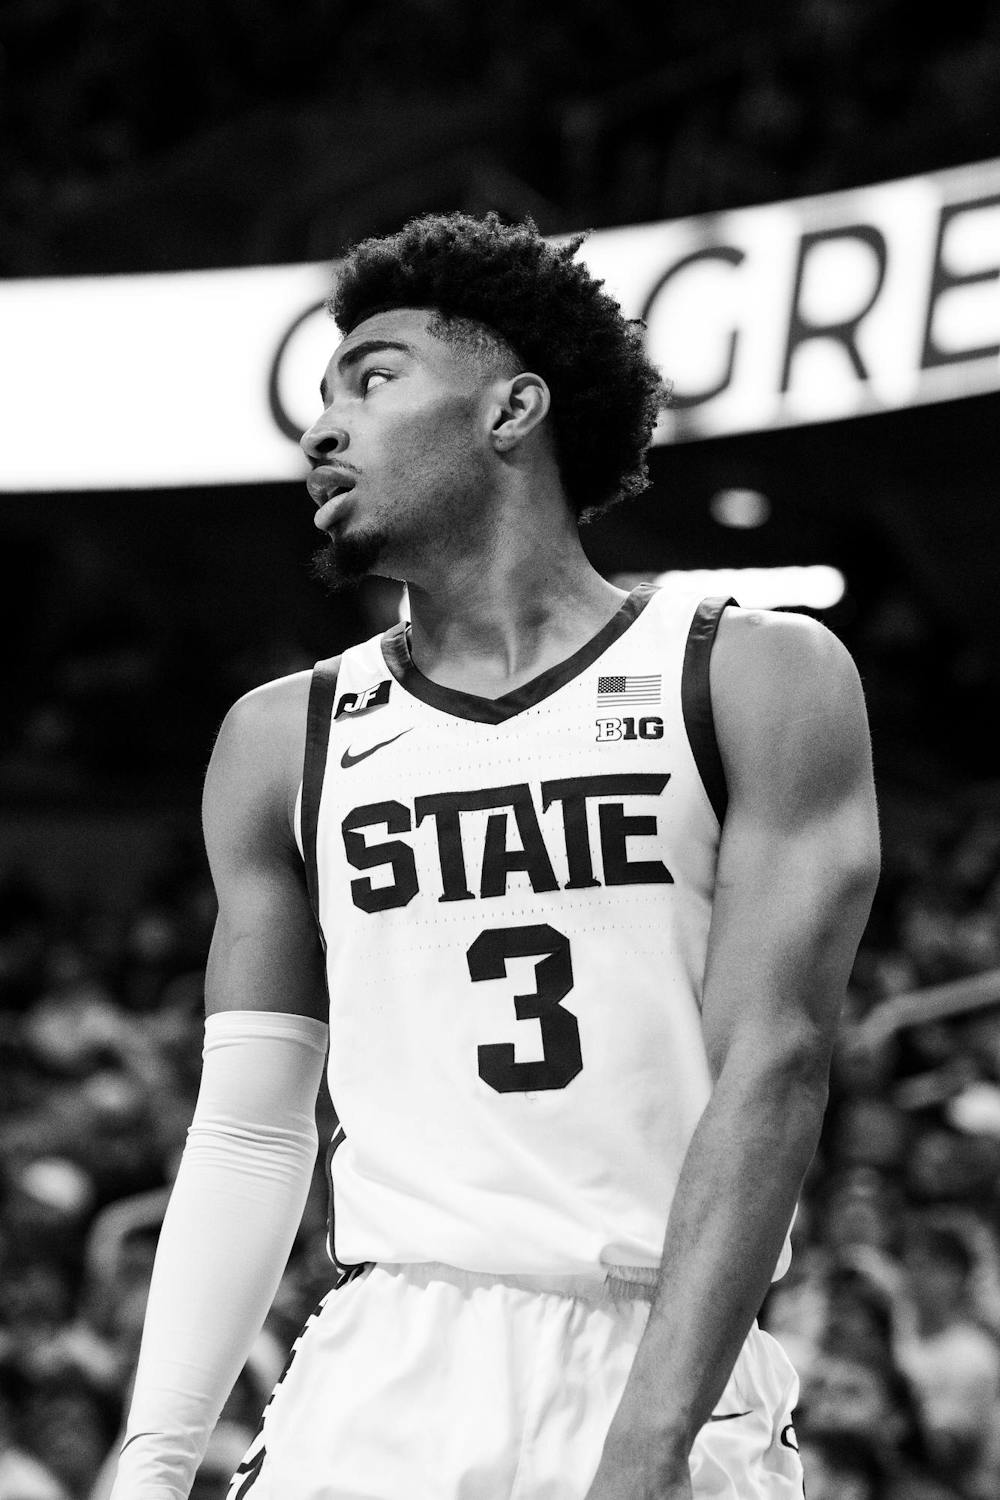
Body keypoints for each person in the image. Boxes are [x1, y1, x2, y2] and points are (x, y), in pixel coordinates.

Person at [107, 211, 881, 1500]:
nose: (321, 432)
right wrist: (154, 1458)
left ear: (512, 408)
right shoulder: (278, 736)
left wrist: (649, 1444)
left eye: (376, 376)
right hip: (387, 1357)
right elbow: (249, 1129)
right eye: (321, 397)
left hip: (667, 1349)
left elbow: (776, 1068)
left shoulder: (751, 672)